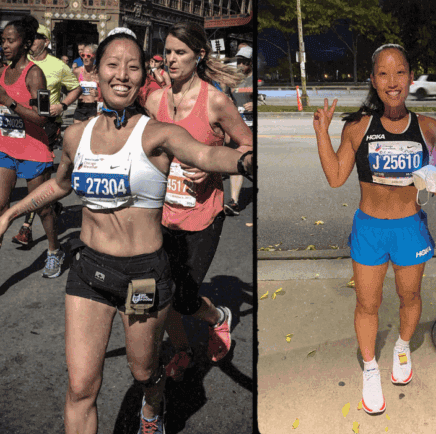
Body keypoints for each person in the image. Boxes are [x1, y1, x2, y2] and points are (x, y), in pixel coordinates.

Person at [0, 30, 252, 434]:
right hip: (90, 272)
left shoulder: (157, 134)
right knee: (81, 386)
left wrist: (244, 162)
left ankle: (154, 403)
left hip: (143, 277)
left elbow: (205, 153)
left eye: (132, 66)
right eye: (112, 64)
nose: (122, 73)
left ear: (142, 77)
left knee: (143, 371)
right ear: (95, 72)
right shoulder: (75, 136)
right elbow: (60, 186)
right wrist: (11, 212)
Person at [313, 43, 436, 414]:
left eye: (401, 72)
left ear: (410, 76)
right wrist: (321, 133)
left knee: (410, 296)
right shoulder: (358, 127)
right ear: (373, 80)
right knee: (367, 303)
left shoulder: (429, 128)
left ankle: (403, 346)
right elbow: (335, 177)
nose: (393, 82)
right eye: (384, 74)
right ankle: (371, 369)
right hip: (370, 229)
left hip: (410, 228)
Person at [143, 22, 251, 382]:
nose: (171, 60)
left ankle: (218, 317)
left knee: (185, 298)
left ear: (198, 55)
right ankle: (183, 349)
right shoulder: (155, 100)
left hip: (203, 213)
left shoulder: (216, 100)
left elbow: (248, 146)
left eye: (180, 53)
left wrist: (211, 167)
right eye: (168, 52)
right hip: (163, 212)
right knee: (163, 291)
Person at [0, 16, 69, 278]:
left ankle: (54, 250)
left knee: (41, 208)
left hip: (33, 150)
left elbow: (43, 117)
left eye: (10, 40)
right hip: (5, 148)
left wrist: (9, 102)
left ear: (26, 43)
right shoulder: (2, 72)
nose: (5, 45)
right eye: (3, 40)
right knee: (0, 206)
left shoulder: (35, 74)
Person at [12, 24, 82, 249]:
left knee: (37, 181)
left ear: (47, 41)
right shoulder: (18, 64)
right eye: (30, 37)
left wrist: (61, 105)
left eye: (38, 37)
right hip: (19, 127)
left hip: (47, 126)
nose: (32, 40)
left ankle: (27, 227)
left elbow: (75, 88)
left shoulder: (58, 66)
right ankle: (49, 207)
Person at [223, 44, 253, 216]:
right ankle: (234, 202)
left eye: (244, 62)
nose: (240, 65)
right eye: (239, 62)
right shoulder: (233, 80)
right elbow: (228, 100)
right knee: (237, 162)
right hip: (238, 128)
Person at [71, 44, 100, 124]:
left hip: (94, 107)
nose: (85, 58)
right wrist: (76, 93)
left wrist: (98, 94)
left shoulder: (98, 73)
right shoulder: (77, 71)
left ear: (94, 56)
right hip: (81, 106)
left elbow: (105, 91)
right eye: (83, 55)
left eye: (88, 56)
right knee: (77, 132)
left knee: (91, 133)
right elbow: (68, 88)